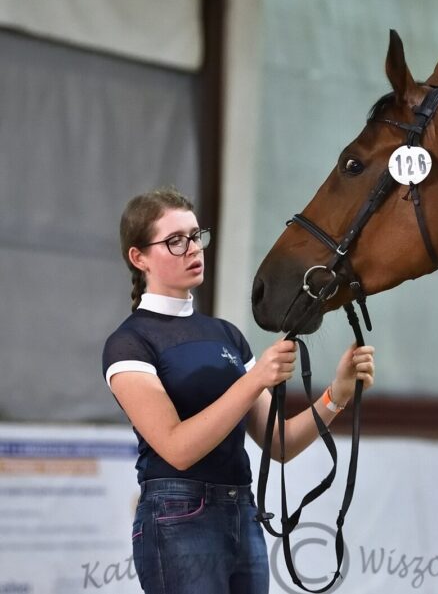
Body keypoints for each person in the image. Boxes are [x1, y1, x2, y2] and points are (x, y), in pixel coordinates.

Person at [101, 187, 375, 593]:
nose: (193, 249)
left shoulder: (225, 334)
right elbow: (176, 448)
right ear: (138, 258)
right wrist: (254, 380)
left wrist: (337, 394)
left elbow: (279, 444)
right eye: (175, 241)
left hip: (241, 510)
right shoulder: (130, 342)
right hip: (178, 514)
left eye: (196, 236)